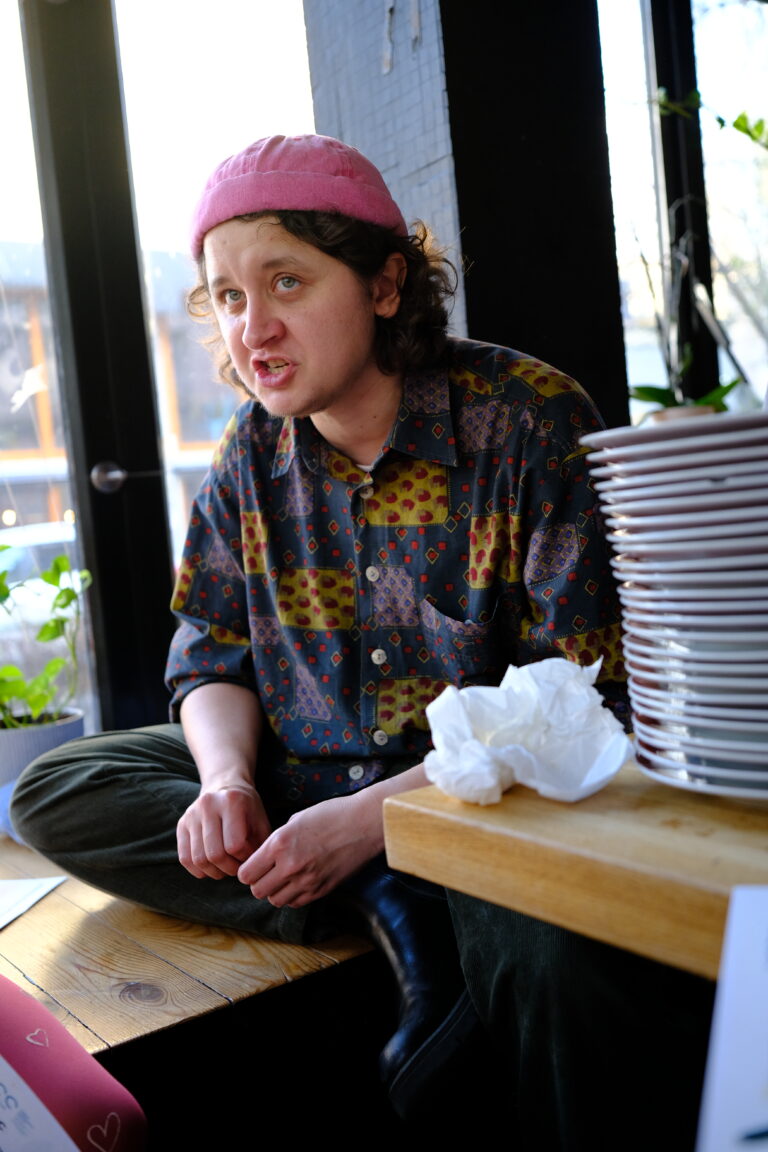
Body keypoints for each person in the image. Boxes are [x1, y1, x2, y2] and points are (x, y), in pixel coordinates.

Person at [10, 134, 713, 1146]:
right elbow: (210, 648)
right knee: (58, 788)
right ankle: (384, 895)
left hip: (484, 809)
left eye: (286, 282)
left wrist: (381, 820)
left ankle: (386, 875)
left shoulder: (528, 420)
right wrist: (225, 783)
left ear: (386, 286)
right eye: (228, 297)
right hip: (305, 775)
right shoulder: (249, 451)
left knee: (562, 955)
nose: (253, 327)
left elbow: (583, 700)